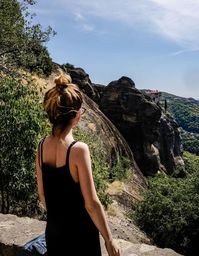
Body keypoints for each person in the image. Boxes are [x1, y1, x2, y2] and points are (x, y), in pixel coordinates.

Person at [35, 74, 121, 256]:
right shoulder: (78, 150)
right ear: (75, 115)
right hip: (80, 237)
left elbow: (43, 196)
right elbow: (91, 204)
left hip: (54, 234)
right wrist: (109, 239)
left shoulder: (41, 147)